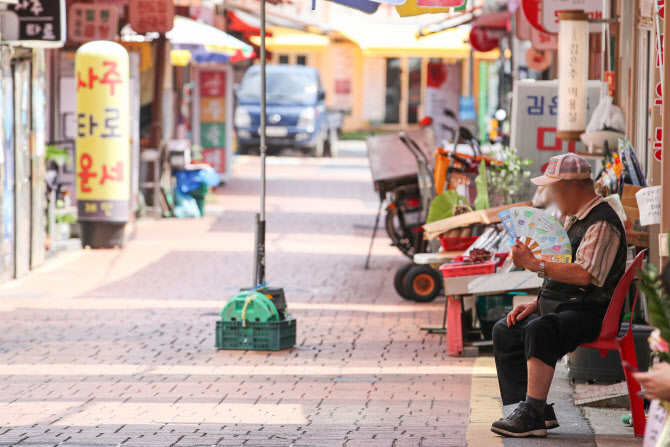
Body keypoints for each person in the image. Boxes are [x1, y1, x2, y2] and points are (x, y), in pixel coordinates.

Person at [491, 153, 628, 438]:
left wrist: (534, 264)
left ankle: (532, 410)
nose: (551, 196)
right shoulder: (573, 219)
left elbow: (583, 274)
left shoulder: (601, 223)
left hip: (591, 312)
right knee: (507, 328)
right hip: (568, 305)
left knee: (542, 328)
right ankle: (532, 412)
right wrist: (536, 302)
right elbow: (565, 271)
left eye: (553, 188)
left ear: (571, 186)